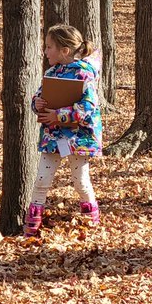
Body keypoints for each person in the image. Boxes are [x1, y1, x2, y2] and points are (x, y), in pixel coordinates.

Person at [26, 24, 103, 236]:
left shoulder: (84, 74)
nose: (45, 51)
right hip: (53, 137)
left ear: (64, 51)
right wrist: (38, 103)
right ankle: (31, 227)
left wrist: (58, 116)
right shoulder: (51, 72)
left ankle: (92, 221)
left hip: (78, 139)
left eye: (49, 46)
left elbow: (88, 108)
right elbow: (38, 96)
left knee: (80, 181)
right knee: (41, 179)